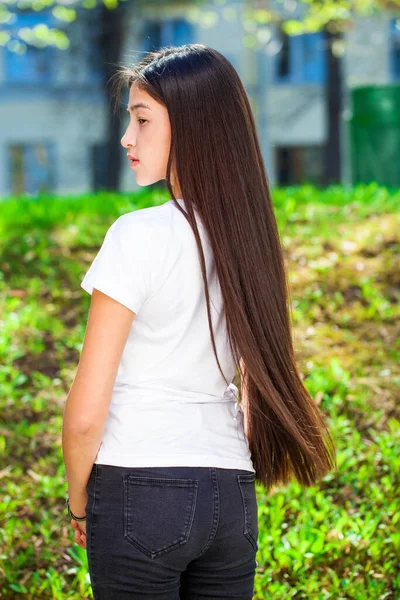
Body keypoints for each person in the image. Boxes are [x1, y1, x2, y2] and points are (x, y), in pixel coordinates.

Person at [62, 43, 336, 599]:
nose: (127, 139)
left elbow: (87, 412)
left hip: (138, 484)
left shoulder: (137, 236)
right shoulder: (251, 243)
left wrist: (78, 503)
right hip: (231, 496)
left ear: (192, 127)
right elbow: (256, 387)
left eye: (142, 121)